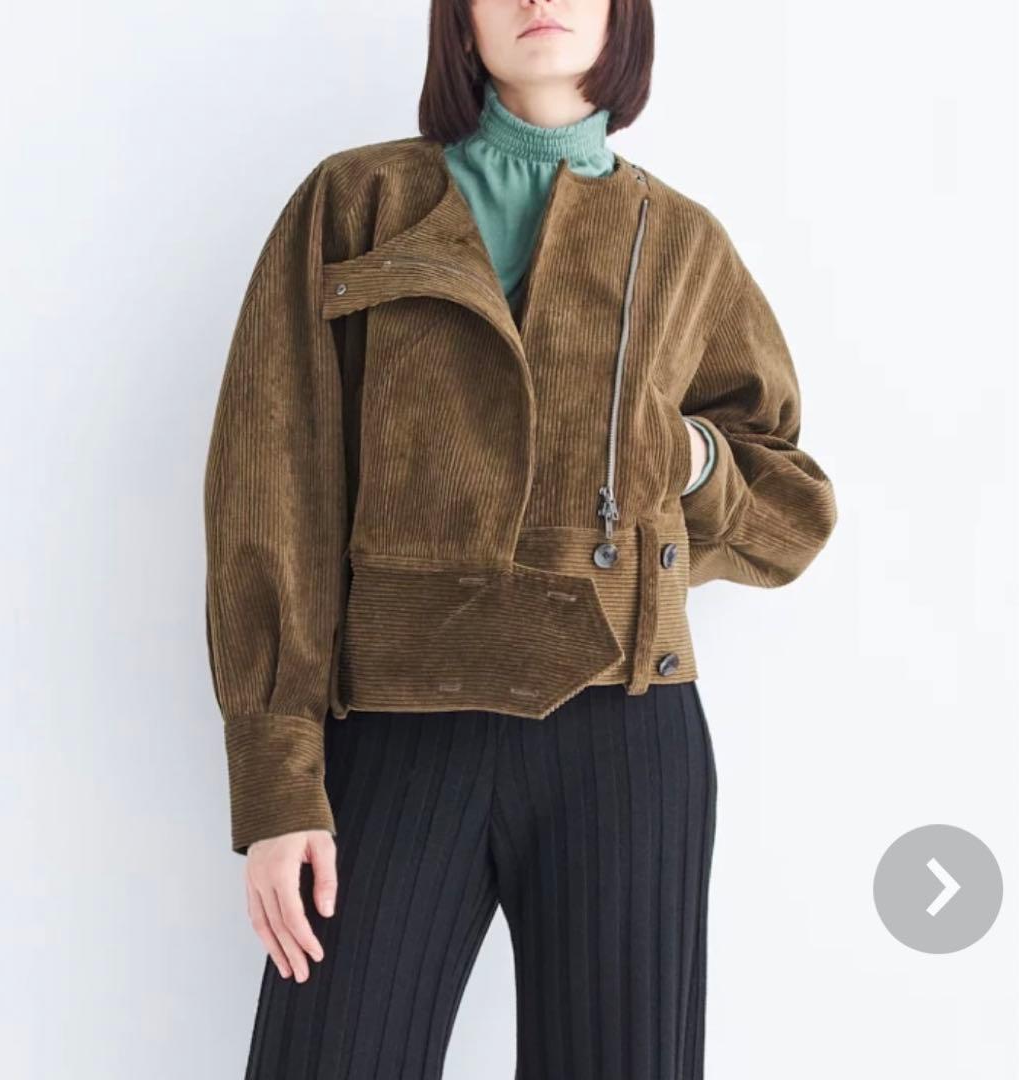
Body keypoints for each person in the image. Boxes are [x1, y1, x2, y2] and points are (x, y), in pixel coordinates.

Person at [202, 2, 839, 1077]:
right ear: (459, 23)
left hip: (623, 734)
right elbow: (271, 496)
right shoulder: (354, 203)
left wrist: (688, 458)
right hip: (395, 725)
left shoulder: (680, 243)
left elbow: (792, 510)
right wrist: (276, 786)